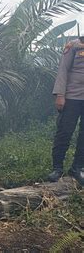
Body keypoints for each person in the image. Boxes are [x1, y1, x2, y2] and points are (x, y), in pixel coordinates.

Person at [48, 37, 84, 185]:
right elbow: (63, 70)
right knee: (64, 132)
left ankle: (77, 168)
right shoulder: (74, 46)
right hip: (71, 97)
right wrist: (60, 95)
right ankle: (57, 168)